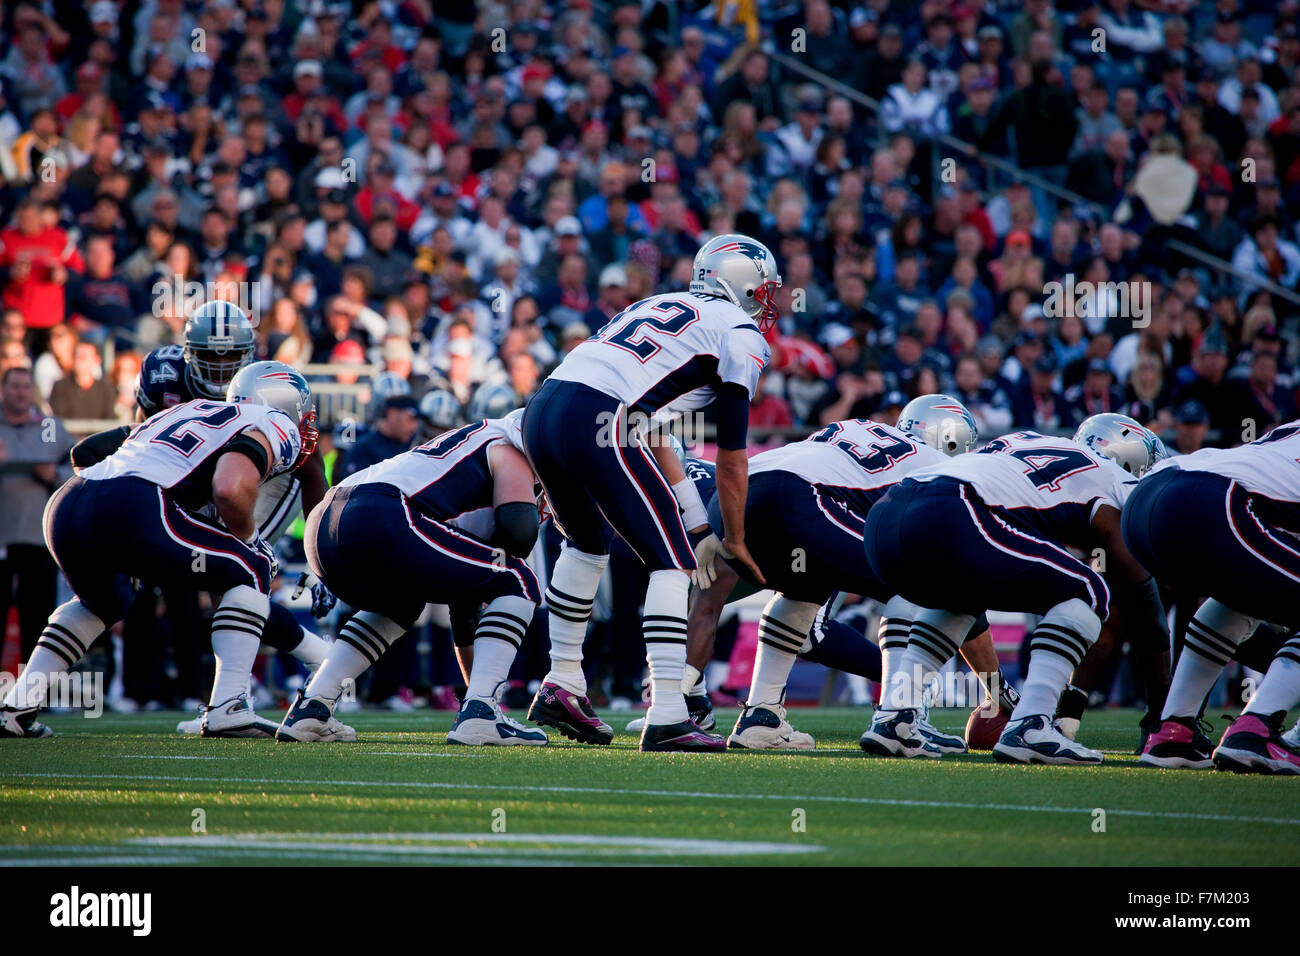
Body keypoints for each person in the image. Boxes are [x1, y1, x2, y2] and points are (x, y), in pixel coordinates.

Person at [521, 234, 779, 752]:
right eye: (765, 289)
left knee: (587, 543)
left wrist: (700, 524)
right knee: (670, 561)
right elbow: (731, 456)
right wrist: (736, 539)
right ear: (745, 284)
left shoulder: (655, 303)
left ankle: (564, 681)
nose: (768, 300)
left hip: (543, 407)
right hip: (600, 412)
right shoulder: (739, 332)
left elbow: (654, 427)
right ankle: (667, 712)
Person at [0, 364, 312, 737]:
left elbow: (85, 451)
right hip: (135, 502)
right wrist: (247, 539)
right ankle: (229, 705)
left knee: (106, 602)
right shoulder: (275, 422)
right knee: (252, 563)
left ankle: (17, 707)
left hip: (67, 504)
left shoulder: (185, 411)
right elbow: (230, 488)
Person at [73, 303, 334, 735]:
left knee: (231, 575)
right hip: (185, 477)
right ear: (188, 353)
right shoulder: (163, 375)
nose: (219, 368)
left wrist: (319, 557)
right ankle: (236, 689)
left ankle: (244, 690)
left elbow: (309, 467)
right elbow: (138, 445)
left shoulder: (267, 389)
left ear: (248, 357)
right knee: (176, 578)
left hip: (257, 480)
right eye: (209, 357)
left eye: (230, 358)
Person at [863, 425, 1164, 764]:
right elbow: (1138, 590)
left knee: (960, 594)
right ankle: (1030, 724)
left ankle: (895, 716)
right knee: (1088, 589)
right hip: (953, 508)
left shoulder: (1021, 443)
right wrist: (1162, 705)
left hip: (886, 515)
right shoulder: (1111, 477)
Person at [281, 412, 546, 746]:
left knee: (402, 602)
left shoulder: (473, 451)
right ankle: (482, 712)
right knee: (518, 579)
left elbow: (463, 601)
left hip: (326, 522)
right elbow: (519, 532)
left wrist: (473, 692)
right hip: (380, 512)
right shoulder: (508, 446)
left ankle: (312, 707)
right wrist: (478, 703)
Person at [1125, 420, 1300, 773]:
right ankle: (1256, 728)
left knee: (1236, 600)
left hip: (1149, 498)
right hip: (1211, 499)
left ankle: (1174, 730)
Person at [0, 366, 72, 662]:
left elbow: (77, 466)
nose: (20, 392)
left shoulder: (49, 427)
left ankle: (35, 688)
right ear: (3, 390)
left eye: (26, 387)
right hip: (2, 536)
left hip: (37, 535)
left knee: (38, 614)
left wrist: (54, 474)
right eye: (14, 386)